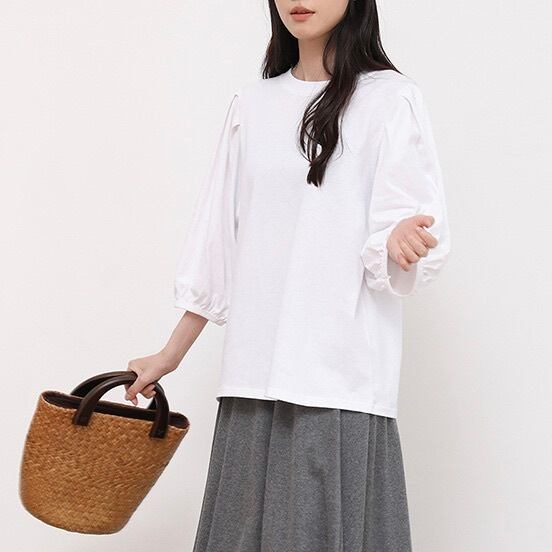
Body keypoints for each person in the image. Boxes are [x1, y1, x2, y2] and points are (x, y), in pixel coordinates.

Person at [124, 1, 451, 550]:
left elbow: (409, 219)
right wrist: (169, 354)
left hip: (338, 381)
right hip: (252, 378)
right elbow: (218, 240)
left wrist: (399, 240)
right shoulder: (251, 106)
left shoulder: (390, 99)